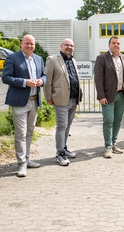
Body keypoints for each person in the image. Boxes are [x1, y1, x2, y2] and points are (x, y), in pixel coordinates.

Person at [2, 35, 46, 177]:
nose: (29, 46)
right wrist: (24, 82)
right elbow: (6, 77)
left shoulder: (39, 59)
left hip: (34, 100)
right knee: (20, 133)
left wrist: (41, 81)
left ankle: (27, 159)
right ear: (21, 44)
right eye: (27, 43)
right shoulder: (13, 58)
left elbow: (44, 75)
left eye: (32, 44)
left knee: (30, 132)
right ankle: (21, 164)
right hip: (20, 101)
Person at [43, 38, 82, 166]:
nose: (69, 47)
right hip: (60, 99)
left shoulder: (73, 60)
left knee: (67, 126)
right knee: (62, 125)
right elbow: (48, 80)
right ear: (61, 46)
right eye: (67, 45)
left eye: (71, 45)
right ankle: (60, 153)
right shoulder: (53, 59)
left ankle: (64, 148)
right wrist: (48, 97)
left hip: (73, 99)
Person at [94, 36, 124, 158]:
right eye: (114, 43)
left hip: (121, 95)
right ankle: (108, 147)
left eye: (118, 43)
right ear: (109, 45)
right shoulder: (102, 58)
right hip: (108, 95)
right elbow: (98, 78)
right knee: (108, 121)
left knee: (117, 121)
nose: (116, 45)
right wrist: (101, 96)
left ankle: (114, 143)